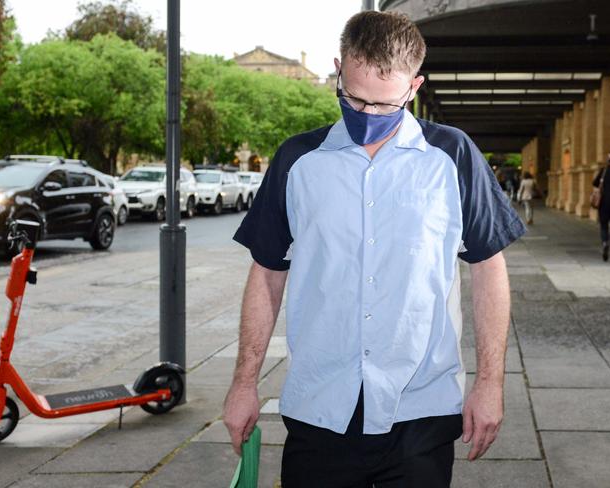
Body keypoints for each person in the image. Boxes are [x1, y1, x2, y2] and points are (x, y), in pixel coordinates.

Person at [223, 11, 526, 488]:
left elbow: (489, 269)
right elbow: (266, 274)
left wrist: (491, 383)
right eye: (353, 99)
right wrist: (244, 384)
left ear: (414, 87)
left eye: (384, 106)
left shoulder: (454, 157)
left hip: (420, 413)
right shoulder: (297, 161)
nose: (365, 116)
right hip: (319, 410)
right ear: (339, 69)